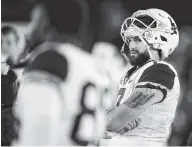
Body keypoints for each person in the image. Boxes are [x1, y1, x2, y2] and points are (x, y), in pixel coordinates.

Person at [12, 0, 111, 146]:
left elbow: (41, 120)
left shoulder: (50, 58)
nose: (30, 27)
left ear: (44, 20)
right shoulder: (91, 64)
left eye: (34, 18)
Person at [105, 8, 180, 146]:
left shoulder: (160, 71)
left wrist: (111, 121)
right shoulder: (133, 73)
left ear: (159, 40)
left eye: (137, 39)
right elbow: (106, 124)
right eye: (130, 40)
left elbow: (112, 122)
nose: (131, 45)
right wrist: (110, 122)